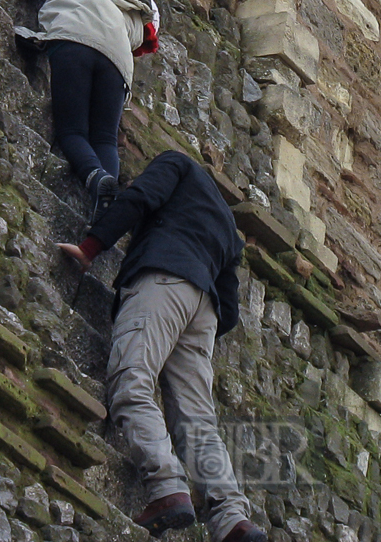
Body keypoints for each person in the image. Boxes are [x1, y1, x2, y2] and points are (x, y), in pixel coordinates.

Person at [58, 151, 267, 542]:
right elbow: (232, 312)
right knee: (197, 421)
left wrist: (91, 246)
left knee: (131, 380)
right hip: (204, 311)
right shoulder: (227, 227)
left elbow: (139, 199)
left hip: (163, 277)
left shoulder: (175, 163)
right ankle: (231, 518)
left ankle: (167, 487)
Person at [14, 0, 159, 216]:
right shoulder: (135, 26)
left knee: (72, 131)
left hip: (75, 41)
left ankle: (95, 177)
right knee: (105, 139)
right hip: (118, 63)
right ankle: (106, 209)